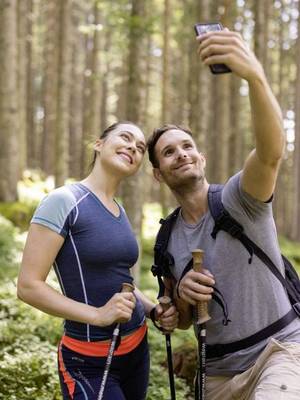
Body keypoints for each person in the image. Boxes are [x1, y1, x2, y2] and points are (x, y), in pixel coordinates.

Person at [147, 29, 300, 400]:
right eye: (168, 152)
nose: (181, 154)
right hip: (214, 373)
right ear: (157, 173)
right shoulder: (167, 238)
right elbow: (181, 319)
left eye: (187, 147)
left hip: (278, 353)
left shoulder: (239, 198)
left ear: (202, 159)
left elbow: (270, 152)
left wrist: (254, 77)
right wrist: (177, 302)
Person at [17, 121, 178, 400]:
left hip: (136, 351)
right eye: (125, 138)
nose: (133, 147)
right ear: (99, 144)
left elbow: (121, 282)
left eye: (140, 148)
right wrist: (97, 315)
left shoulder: (119, 209)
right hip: (87, 361)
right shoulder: (63, 201)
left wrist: (153, 311)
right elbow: (28, 286)